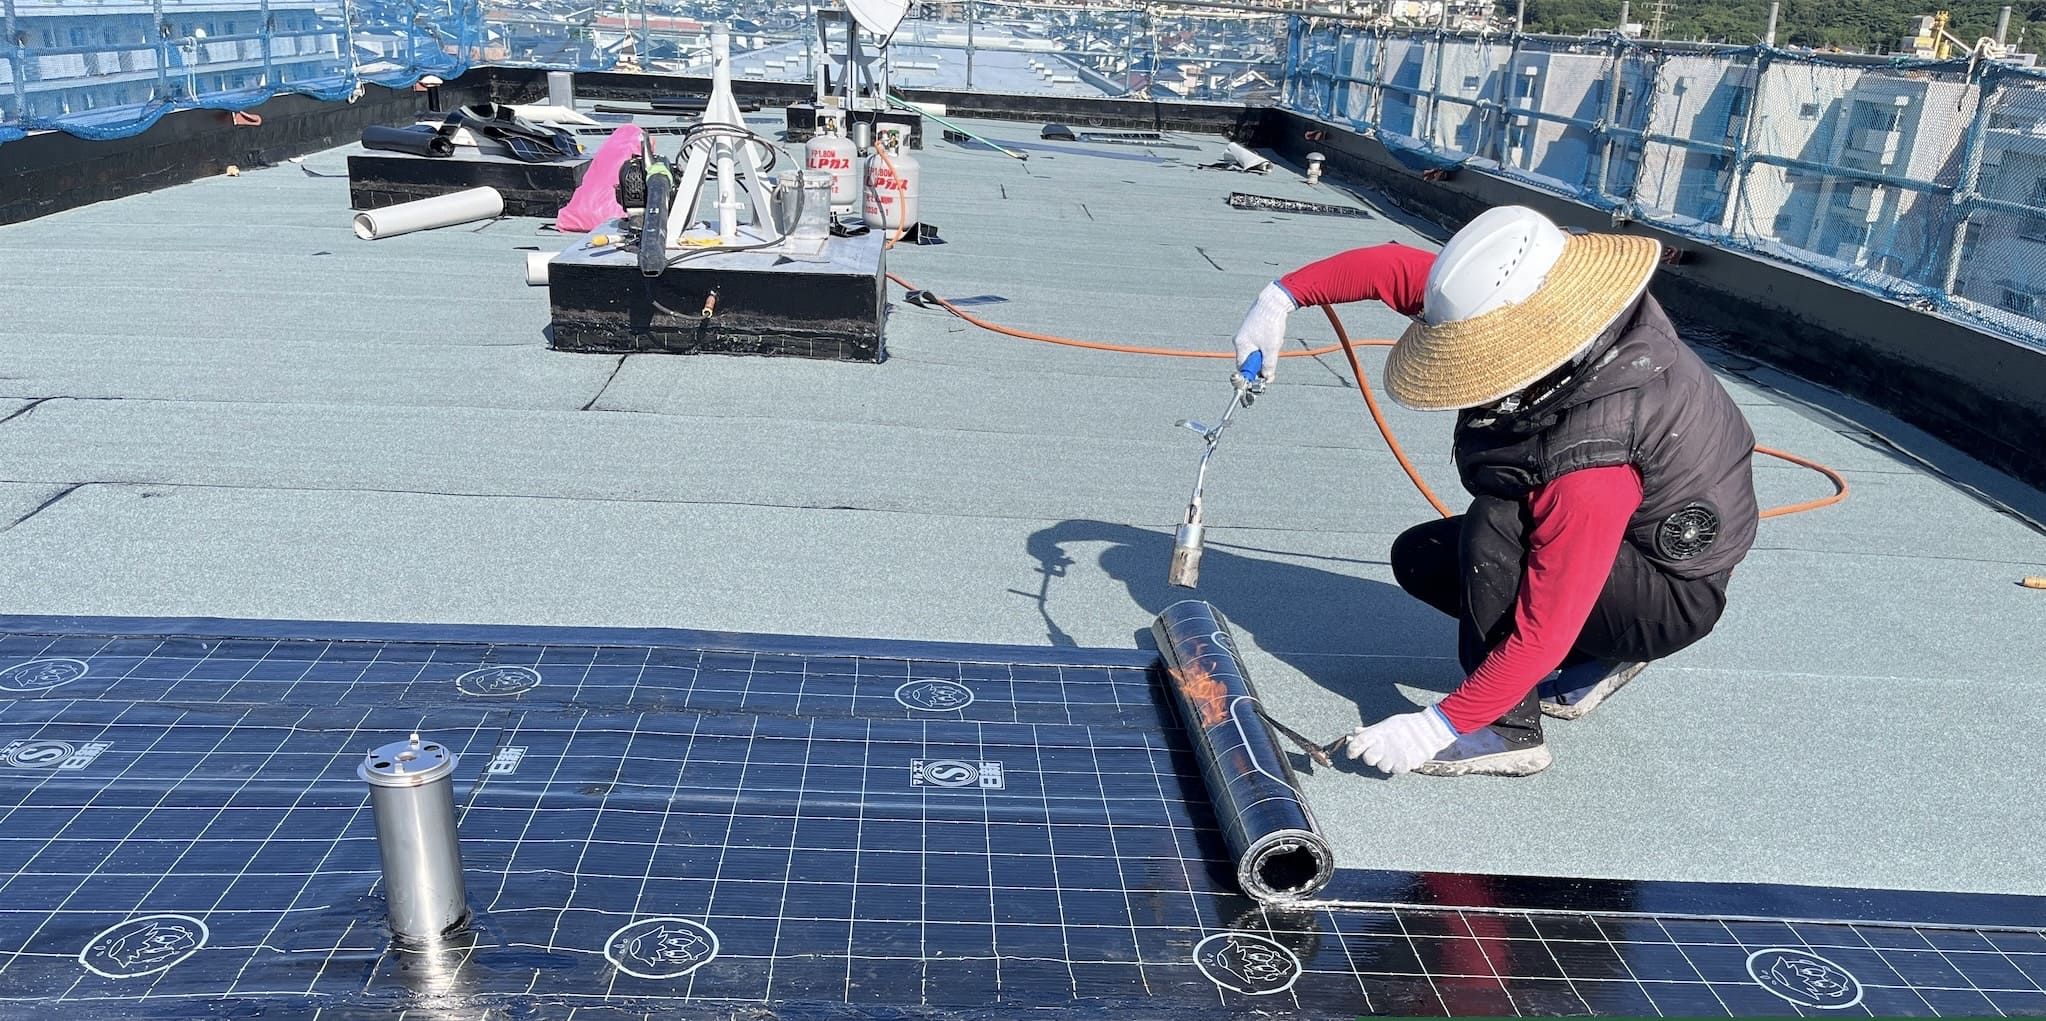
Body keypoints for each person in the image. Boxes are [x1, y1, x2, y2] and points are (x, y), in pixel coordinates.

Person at [1229, 206, 1758, 777]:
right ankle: (1599, 653)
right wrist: (1279, 300)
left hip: (1670, 596)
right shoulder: (1548, 305)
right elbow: (1393, 269)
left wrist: (1438, 725)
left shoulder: (1593, 464)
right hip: (1627, 553)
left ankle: (1507, 730)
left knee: (1499, 526)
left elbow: (1544, 629)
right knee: (1425, 557)